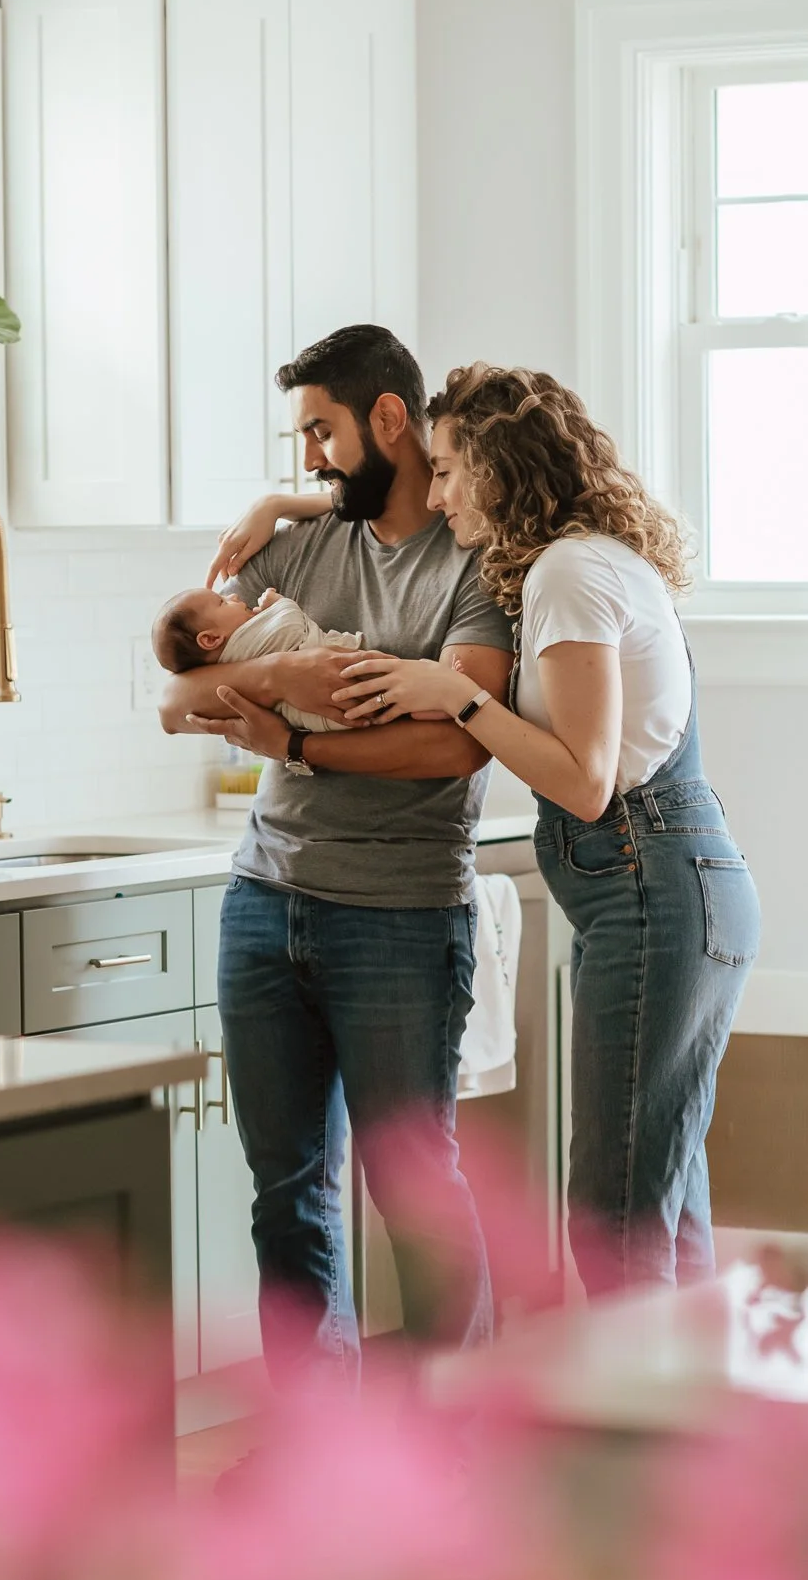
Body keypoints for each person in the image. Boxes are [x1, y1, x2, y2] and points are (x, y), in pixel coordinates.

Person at [237, 364, 759, 1295]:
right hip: (670, 886)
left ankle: (619, 1437)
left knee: (613, 1217)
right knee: (662, 1205)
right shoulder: (584, 561)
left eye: (446, 471)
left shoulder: (565, 573)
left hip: (655, 890)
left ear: (494, 467)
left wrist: (458, 695)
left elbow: (587, 783)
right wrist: (290, 499)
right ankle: (681, 1431)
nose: (434, 496)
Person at [158, 324, 515, 1385]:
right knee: (286, 1190)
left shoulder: (476, 565)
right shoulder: (294, 545)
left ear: (389, 420)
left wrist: (299, 739)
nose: (307, 454)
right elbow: (180, 689)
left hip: (400, 915)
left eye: (321, 429)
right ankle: (317, 1449)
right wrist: (285, 684)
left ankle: (459, 1434)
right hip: (264, 899)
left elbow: (455, 742)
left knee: (415, 1189)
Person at [151, 586, 450, 732]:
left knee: (387, 693)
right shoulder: (247, 638)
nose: (235, 597)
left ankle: (431, 701)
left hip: (328, 726)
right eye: (221, 601)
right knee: (374, 681)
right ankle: (438, 695)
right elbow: (170, 707)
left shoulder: (231, 649)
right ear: (211, 639)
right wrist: (278, 607)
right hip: (328, 711)